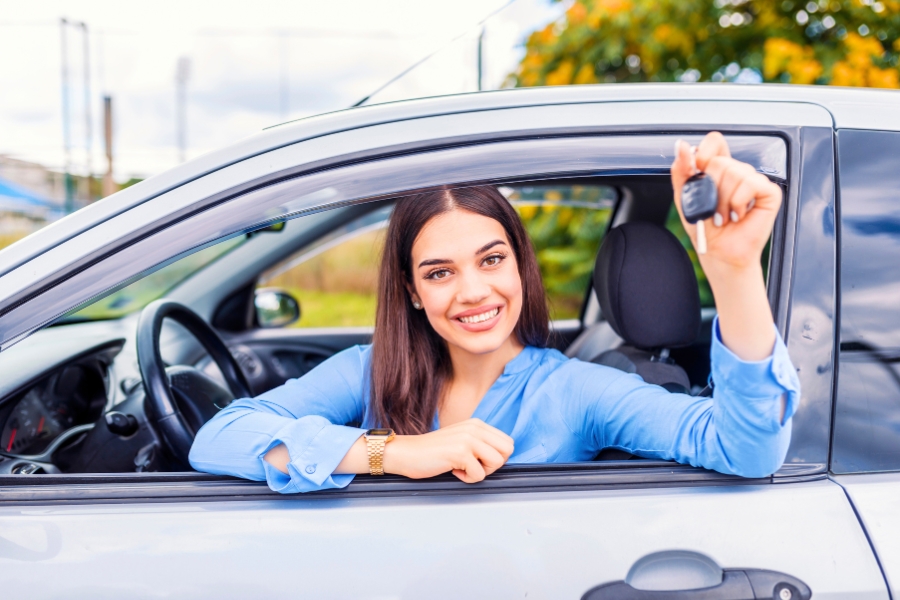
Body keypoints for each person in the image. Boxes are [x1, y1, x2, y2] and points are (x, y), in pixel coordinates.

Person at [189, 132, 800, 493]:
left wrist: (735, 271)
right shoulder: (369, 370)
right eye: (439, 273)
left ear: (519, 266)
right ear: (411, 290)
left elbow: (746, 449)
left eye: (491, 259)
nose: (474, 291)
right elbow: (219, 440)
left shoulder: (573, 391)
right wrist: (394, 454)